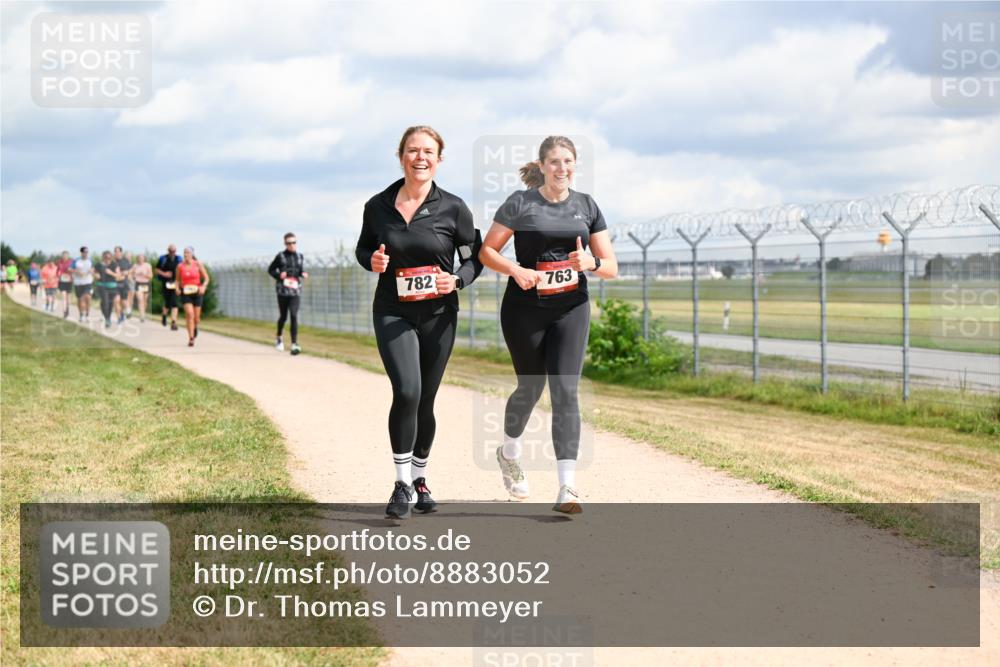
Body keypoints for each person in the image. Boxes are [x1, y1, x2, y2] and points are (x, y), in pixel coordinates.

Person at [479, 136, 618, 514]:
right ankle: (509, 453)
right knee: (530, 386)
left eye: (568, 161)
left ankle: (567, 487)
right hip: (524, 308)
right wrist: (516, 270)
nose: (562, 168)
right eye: (554, 162)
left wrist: (590, 263)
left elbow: (611, 266)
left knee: (565, 391)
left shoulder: (586, 205)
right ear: (541, 166)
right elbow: (487, 251)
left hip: (571, 307)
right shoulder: (520, 202)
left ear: (575, 165)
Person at [356, 125, 482, 519]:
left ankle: (419, 478)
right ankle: (401, 484)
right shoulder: (377, 206)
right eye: (413, 150)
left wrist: (457, 280)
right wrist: (371, 260)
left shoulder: (454, 208)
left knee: (426, 398)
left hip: (439, 316)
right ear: (401, 157)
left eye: (428, 151)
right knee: (407, 390)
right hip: (393, 310)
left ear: (439, 160)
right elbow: (363, 247)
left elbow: (474, 258)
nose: (420, 157)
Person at [267, 232, 309, 354]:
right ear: (285, 243)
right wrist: (279, 275)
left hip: (295, 290)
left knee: (294, 315)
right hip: (283, 291)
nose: (292, 245)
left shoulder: (300, 256)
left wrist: (303, 274)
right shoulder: (280, 256)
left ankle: (294, 344)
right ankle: (279, 337)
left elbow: (300, 270)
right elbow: (270, 270)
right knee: (283, 316)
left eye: (294, 242)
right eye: (289, 243)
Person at [175, 246, 210, 347]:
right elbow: (177, 280)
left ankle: (195, 327)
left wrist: (203, 286)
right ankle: (191, 338)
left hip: (197, 292)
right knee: (190, 314)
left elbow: (206, 278)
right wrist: (177, 288)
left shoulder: (198, 264)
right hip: (186, 293)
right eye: (184, 252)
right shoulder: (180, 266)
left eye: (188, 253)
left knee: (196, 318)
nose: (186, 254)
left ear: (192, 254)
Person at [93, 250, 123, 328]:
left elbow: (119, 276)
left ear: (111, 257)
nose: (107, 259)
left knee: (110, 304)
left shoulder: (114, 264)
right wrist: (96, 275)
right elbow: (94, 272)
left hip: (113, 287)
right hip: (102, 286)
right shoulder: (98, 265)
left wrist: (111, 273)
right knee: (105, 302)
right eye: (105, 258)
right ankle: (107, 319)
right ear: (103, 258)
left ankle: (108, 317)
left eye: (109, 258)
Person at [156, 245, 181, 330]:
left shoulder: (179, 259)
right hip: (166, 283)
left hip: (175, 283)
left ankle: (173, 322)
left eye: (174, 251)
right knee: (168, 302)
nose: (172, 253)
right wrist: (164, 274)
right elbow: (157, 270)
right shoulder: (163, 258)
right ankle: (164, 315)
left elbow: (182, 270)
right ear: (168, 250)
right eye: (171, 251)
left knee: (174, 302)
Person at [71, 247, 94, 322]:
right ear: (81, 253)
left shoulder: (90, 260)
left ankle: (87, 315)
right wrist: (77, 271)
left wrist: (92, 271)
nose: (85, 254)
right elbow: (70, 269)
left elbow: (93, 269)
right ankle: (81, 314)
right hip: (78, 283)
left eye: (86, 252)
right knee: (80, 299)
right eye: (84, 252)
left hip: (88, 282)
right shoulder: (76, 260)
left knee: (88, 298)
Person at [112, 246, 131, 323]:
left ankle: (123, 312)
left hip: (124, 284)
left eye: (118, 251)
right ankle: (119, 318)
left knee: (123, 302)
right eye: (115, 251)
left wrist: (126, 273)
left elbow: (130, 270)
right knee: (116, 301)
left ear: (121, 252)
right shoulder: (112, 262)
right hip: (114, 284)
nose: (117, 253)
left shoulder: (125, 261)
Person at [131, 254, 153, 322]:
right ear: (137, 259)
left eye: (141, 258)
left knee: (145, 300)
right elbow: (131, 274)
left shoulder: (148, 265)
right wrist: (134, 276)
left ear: (144, 259)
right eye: (139, 258)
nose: (140, 259)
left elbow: (151, 276)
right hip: (138, 283)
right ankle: (142, 315)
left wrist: (144, 274)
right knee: (140, 300)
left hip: (146, 283)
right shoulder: (135, 266)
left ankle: (144, 312)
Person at [56, 251, 73, 318]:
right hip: (62, 281)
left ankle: (67, 308)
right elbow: (57, 271)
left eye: (66, 255)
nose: (65, 257)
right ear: (62, 256)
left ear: (68, 256)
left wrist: (71, 273)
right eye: (64, 255)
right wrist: (59, 275)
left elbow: (74, 270)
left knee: (68, 298)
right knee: (63, 296)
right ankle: (64, 311)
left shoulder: (71, 262)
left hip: (69, 281)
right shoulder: (59, 262)